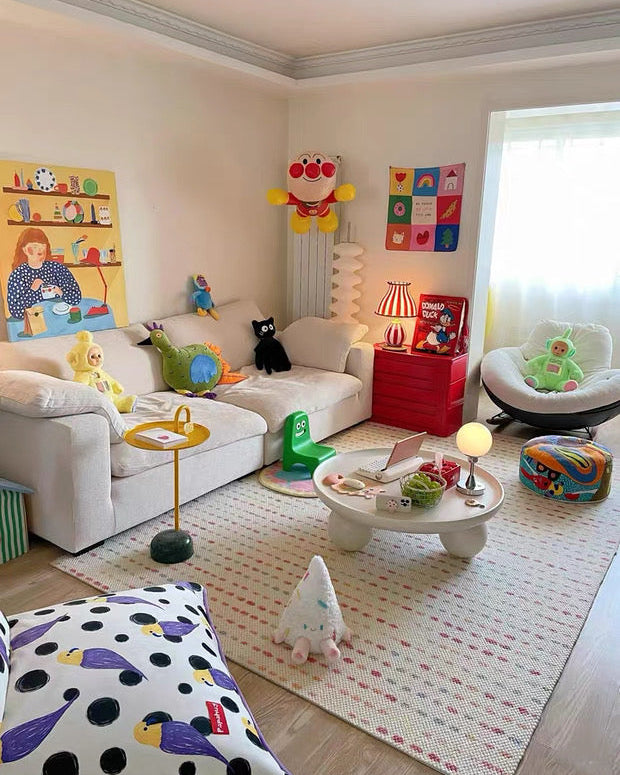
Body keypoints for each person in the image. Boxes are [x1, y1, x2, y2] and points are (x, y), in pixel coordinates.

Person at [6, 227, 82, 319]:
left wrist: (61, 292)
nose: (40, 250)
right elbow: (16, 311)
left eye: (43, 245)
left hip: (59, 317)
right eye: (34, 246)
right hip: (36, 323)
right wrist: (32, 290)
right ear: (25, 250)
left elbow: (76, 297)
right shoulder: (18, 274)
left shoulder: (56, 268)